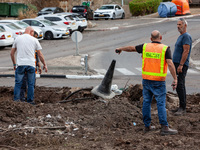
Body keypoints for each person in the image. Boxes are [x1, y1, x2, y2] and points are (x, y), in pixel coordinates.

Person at [115, 30, 178, 135]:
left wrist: (121, 48)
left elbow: (131, 48)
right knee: (161, 103)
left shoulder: (145, 47)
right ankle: (164, 127)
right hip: (159, 81)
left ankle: (147, 126)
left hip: (147, 80)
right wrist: (175, 78)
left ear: (150, 39)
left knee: (146, 102)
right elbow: (170, 64)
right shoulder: (165, 49)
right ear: (161, 38)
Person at [10, 26, 48, 104]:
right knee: (31, 84)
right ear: (31, 31)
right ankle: (30, 101)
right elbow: (40, 54)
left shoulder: (18, 39)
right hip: (31, 64)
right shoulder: (34, 40)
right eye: (33, 32)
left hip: (20, 64)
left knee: (18, 83)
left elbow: (12, 53)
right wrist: (44, 64)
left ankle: (16, 101)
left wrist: (14, 64)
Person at [172, 18, 192, 116]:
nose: (178, 26)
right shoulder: (181, 36)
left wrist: (181, 65)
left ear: (185, 25)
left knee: (180, 85)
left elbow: (186, 51)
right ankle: (180, 106)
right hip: (176, 64)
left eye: (180, 24)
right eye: (177, 24)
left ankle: (183, 108)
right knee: (178, 85)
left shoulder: (186, 36)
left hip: (181, 65)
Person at [20, 31, 42, 101]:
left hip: (32, 68)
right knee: (24, 84)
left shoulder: (34, 47)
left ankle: (28, 98)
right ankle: (23, 99)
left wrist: (39, 67)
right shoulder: (26, 45)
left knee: (31, 85)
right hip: (26, 67)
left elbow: (37, 58)